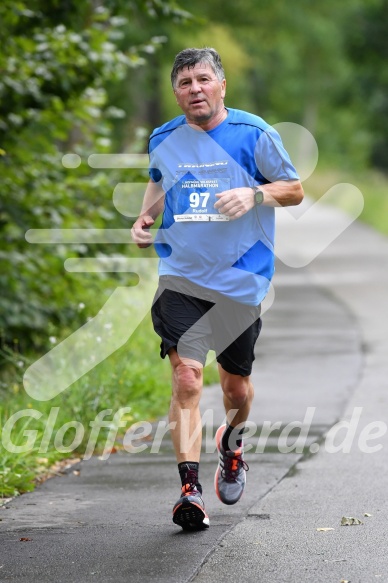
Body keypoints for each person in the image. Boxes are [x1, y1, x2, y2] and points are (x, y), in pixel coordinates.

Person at [131, 47, 303, 531]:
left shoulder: (253, 134)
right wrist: (144, 218)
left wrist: (255, 194)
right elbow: (158, 182)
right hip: (181, 278)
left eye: (203, 80)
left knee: (234, 387)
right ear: (176, 93)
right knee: (187, 379)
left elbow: (293, 189)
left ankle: (232, 446)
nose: (195, 90)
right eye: (185, 84)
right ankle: (190, 491)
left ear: (221, 85)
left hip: (240, 282)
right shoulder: (164, 137)